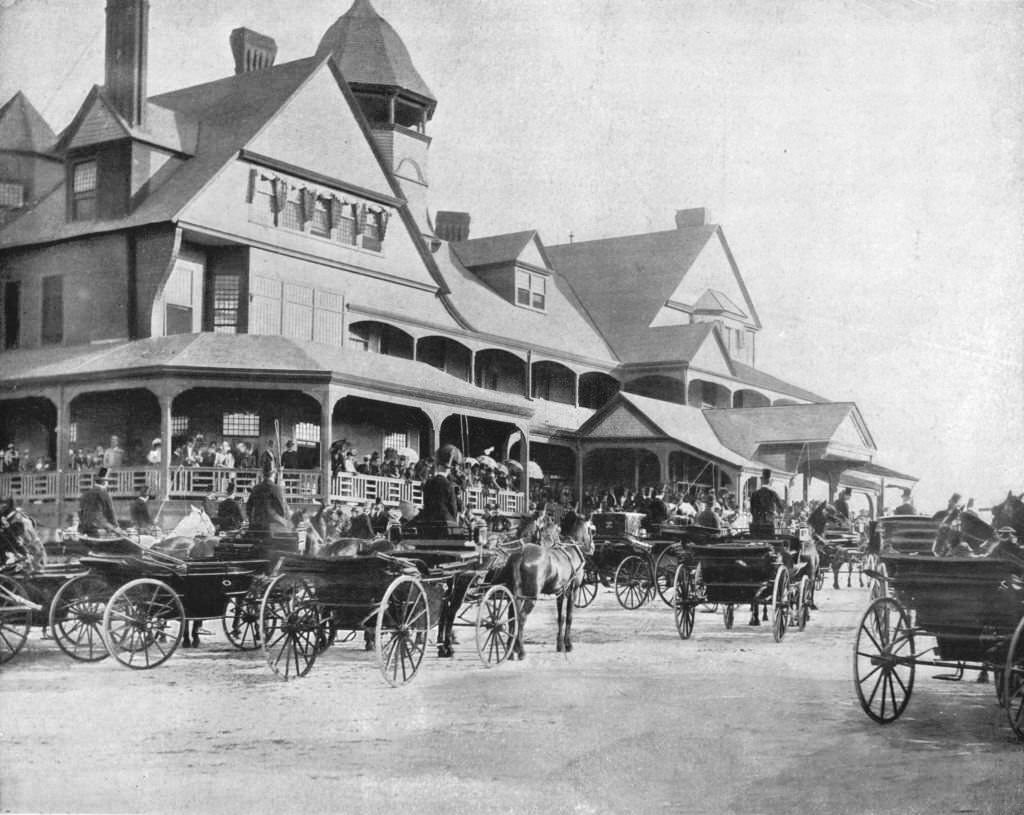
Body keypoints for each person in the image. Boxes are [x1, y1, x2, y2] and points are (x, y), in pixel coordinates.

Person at [417, 444, 463, 525]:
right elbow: (453, 509)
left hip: (428, 522)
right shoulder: (449, 485)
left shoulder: (428, 483)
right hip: (446, 524)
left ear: (438, 466)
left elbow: (426, 504)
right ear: (449, 469)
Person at [78, 468, 120, 536]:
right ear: (104, 482)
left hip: (85, 526)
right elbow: (110, 512)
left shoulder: (85, 494)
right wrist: (116, 527)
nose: (107, 484)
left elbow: (80, 511)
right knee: (113, 530)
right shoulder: (104, 493)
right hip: (99, 525)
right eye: (107, 482)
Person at [749, 469, 784, 538]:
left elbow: (752, 510)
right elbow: (781, 509)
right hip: (769, 523)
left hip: (756, 524)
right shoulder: (773, 494)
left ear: (761, 480)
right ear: (770, 481)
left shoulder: (754, 494)